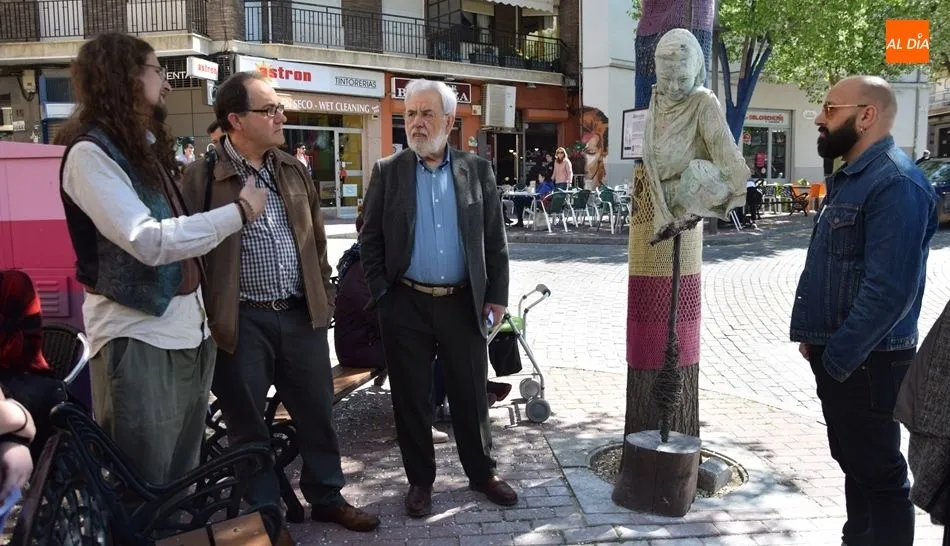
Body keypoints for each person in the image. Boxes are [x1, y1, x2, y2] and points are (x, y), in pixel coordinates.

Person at [55, 33, 267, 486]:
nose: (166, 84)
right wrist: (239, 212)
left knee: (178, 480)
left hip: (186, 334)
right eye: (157, 71)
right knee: (145, 486)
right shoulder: (90, 154)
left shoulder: (142, 147)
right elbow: (147, 241)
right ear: (127, 78)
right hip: (140, 339)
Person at [180, 71, 378, 533]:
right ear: (235, 120)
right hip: (240, 322)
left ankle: (327, 496)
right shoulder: (202, 178)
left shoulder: (291, 167)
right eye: (268, 110)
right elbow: (187, 248)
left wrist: (324, 296)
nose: (280, 116)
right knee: (247, 426)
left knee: (318, 415)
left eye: (279, 108)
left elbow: (318, 241)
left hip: (299, 314)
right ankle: (265, 516)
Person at [790, 75, 938, 546]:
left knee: (880, 474)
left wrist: (836, 360)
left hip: (868, 362)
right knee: (857, 464)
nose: (819, 117)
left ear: (866, 115)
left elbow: (889, 292)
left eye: (830, 109)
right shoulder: (855, 178)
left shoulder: (896, 182)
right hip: (848, 359)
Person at [361, 78, 515, 518]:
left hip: (462, 301)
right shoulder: (388, 171)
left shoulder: (476, 170)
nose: (417, 122)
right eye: (410, 114)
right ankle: (420, 482)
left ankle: (482, 472)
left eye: (427, 113)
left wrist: (497, 297)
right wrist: (383, 296)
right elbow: (369, 241)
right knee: (411, 398)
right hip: (405, 303)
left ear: (449, 121)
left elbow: (494, 239)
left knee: (470, 391)